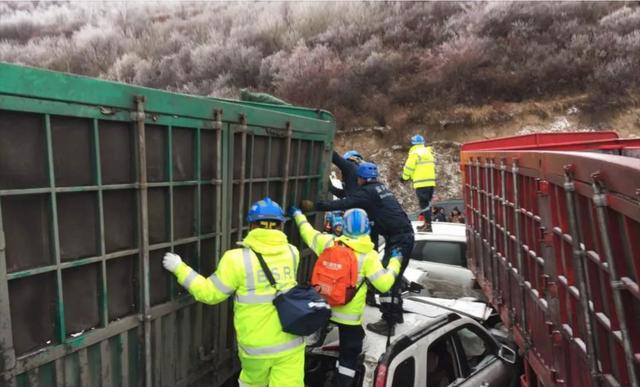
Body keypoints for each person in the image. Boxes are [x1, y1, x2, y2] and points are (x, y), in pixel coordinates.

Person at [162, 197, 304, 387]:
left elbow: (209, 293)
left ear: (252, 226)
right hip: (292, 342)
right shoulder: (292, 253)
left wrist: (179, 267)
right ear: (280, 226)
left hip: (257, 347)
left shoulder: (236, 259)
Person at [290, 207, 402, 387]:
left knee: (308, 346)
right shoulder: (369, 257)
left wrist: (298, 215)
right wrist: (395, 262)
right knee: (349, 355)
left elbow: (308, 232)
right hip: (349, 319)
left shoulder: (329, 243)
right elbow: (384, 284)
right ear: (367, 228)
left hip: (323, 308)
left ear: (344, 227)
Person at [309, 162, 414, 335]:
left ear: (361, 179)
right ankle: (395, 316)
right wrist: (331, 189)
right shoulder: (379, 188)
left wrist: (319, 206)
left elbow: (347, 202)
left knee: (388, 281)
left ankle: (388, 323)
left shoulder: (367, 192)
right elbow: (350, 196)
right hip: (402, 236)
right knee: (394, 279)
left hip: (399, 239)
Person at [400, 134, 436, 232]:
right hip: (431, 183)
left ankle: (428, 226)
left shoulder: (415, 153)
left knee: (424, 204)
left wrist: (404, 177)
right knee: (427, 204)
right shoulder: (428, 152)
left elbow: (409, 167)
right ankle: (427, 224)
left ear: (413, 144)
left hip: (421, 183)